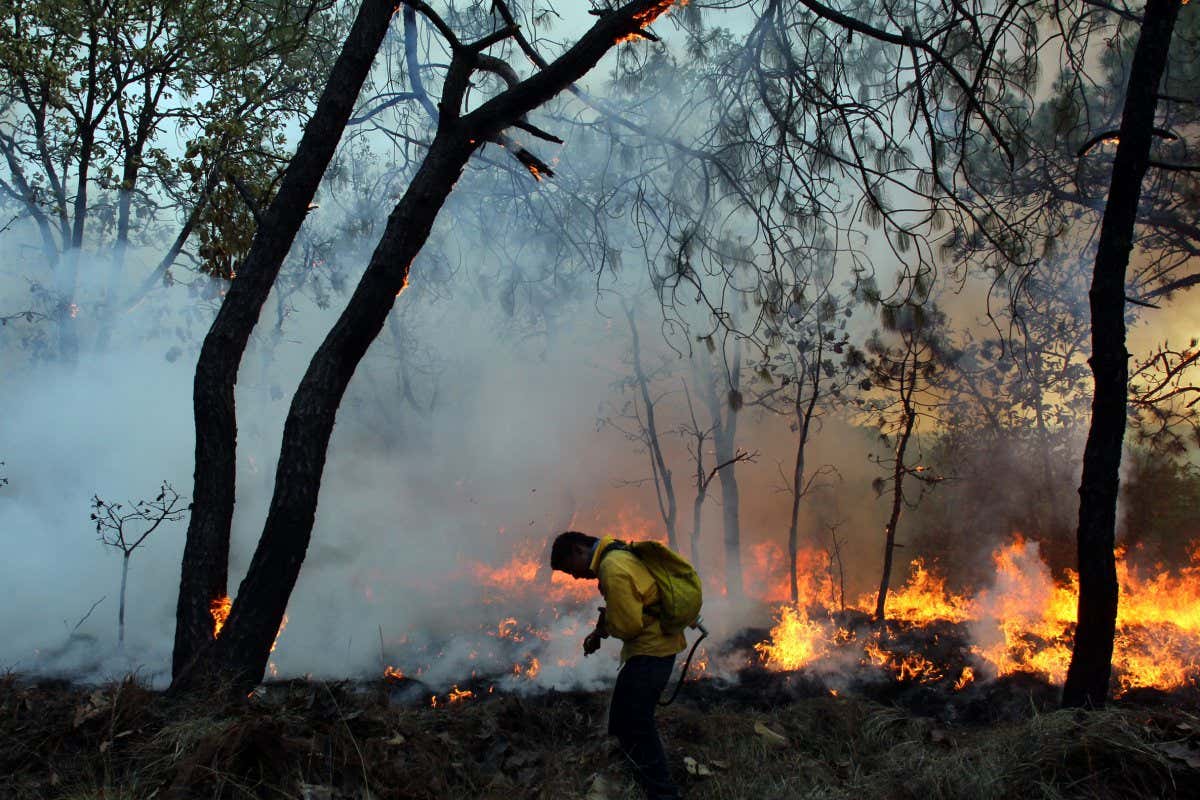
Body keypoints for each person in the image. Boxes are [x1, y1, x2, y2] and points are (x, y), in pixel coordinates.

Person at [550, 530, 685, 800]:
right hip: (652, 648)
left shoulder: (612, 567)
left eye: (570, 569)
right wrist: (600, 631)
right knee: (622, 719)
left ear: (578, 550)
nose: (574, 577)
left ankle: (662, 793)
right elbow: (630, 605)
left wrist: (610, 627)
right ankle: (634, 776)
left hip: (652, 651)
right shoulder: (615, 553)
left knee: (636, 723)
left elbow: (629, 625)